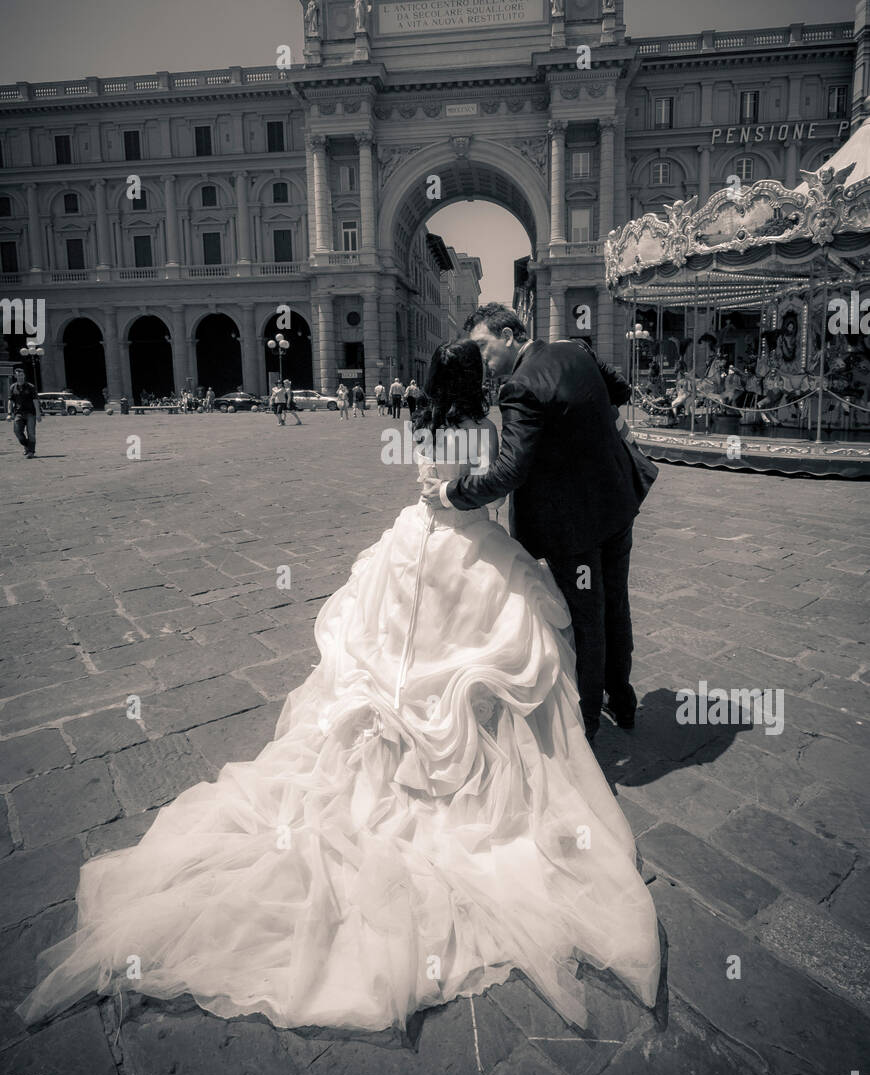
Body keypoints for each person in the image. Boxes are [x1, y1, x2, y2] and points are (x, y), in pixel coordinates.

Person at [16, 337, 660, 1037]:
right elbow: (502, 475)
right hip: (492, 541)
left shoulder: (427, 424)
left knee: (390, 651)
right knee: (554, 631)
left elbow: (449, 481)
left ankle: (530, 712)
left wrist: (439, 490)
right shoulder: (498, 414)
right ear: (480, 379)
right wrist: (465, 491)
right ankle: (596, 708)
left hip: (419, 544)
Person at [422, 303, 643, 743]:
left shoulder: (519, 386)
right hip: (617, 499)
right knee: (615, 601)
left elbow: (508, 473)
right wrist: (589, 431)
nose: (481, 359)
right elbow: (620, 390)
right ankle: (621, 698)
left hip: (574, 522)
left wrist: (448, 493)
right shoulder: (575, 350)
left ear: (508, 334)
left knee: (587, 615)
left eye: (483, 346)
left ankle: (588, 722)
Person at [7, 365, 42, 457]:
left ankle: (31, 452)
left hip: (31, 413)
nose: (20, 377)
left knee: (31, 433)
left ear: (24, 375)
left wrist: (38, 414)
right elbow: (10, 401)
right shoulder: (12, 387)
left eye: (22, 375)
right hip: (18, 413)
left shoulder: (31, 387)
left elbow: (35, 401)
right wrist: (9, 413)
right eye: (18, 375)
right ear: (15, 376)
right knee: (17, 431)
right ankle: (27, 446)